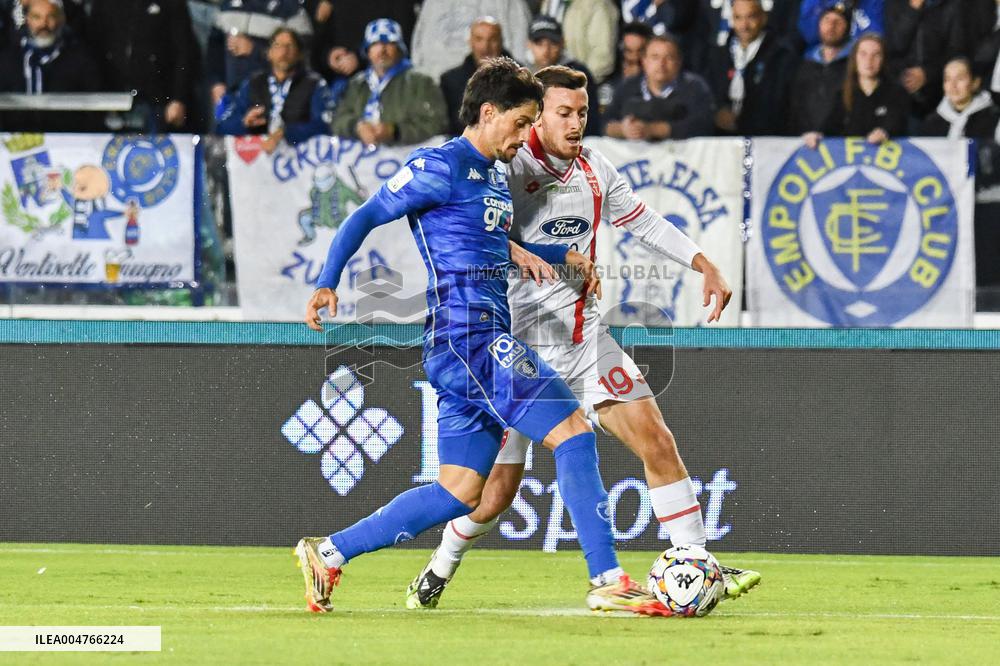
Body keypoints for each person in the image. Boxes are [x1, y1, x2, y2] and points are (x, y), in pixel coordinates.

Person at [298, 57, 672, 616]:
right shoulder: (438, 165)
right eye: (520, 123)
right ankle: (609, 580)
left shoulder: (495, 174)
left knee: (460, 492)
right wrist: (327, 282)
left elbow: (492, 247)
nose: (526, 136)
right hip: (466, 337)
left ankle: (328, 552)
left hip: (469, 343)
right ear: (489, 112)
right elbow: (364, 216)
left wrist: (553, 255)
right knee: (573, 431)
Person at [403, 65, 760, 610]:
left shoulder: (596, 170)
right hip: (518, 348)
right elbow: (470, 233)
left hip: (586, 340)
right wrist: (517, 251)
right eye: (562, 113)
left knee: (657, 440)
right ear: (535, 115)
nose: (575, 125)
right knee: (494, 493)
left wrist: (703, 262)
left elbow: (645, 221)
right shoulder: (503, 169)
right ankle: (440, 566)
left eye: (583, 114)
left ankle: (696, 561)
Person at [330, 18, 446, 147]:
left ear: (399, 48)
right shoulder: (356, 84)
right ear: (367, 51)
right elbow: (337, 119)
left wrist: (395, 131)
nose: (382, 50)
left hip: (408, 158)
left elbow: (436, 123)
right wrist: (357, 127)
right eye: (375, 44)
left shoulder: (421, 82)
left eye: (389, 43)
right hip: (363, 161)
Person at [86, 0, 199, 132]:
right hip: (113, 99)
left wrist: (179, 98)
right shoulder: (104, 4)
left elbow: (184, 52)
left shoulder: (171, 3)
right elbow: (93, 49)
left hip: (157, 100)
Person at [215, 28, 333, 153]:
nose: (283, 51)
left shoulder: (314, 84)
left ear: (299, 54)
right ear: (269, 53)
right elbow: (222, 126)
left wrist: (286, 133)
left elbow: (324, 125)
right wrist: (243, 123)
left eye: (290, 46)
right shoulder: (253, 83)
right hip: (258, 163)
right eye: (277, 45)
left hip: (300, 161)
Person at [0, 0, 102, 132]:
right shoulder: (6, 61)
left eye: (50, 16)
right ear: (27, 20)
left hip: (68, 142)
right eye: (37, 17)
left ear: (60, 20)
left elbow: (95, 109)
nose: (44, 24)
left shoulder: (81, 60)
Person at [705, 0, 798, 135]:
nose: (744, 25)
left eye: (751, 17)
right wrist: (717, 114)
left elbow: (784, 105)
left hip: (767, 140)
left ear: (763, 18)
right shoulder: (719, 55)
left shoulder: (782, 56)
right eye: (738, 18)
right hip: (723, 139)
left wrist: (744, 121)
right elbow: (708, 96)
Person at [206, 0, 313, 115]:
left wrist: (255, 50)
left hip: (273, 98)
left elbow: (301, 56)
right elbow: (214, 48)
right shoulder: (228, 5)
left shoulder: (291, 10)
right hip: (232, 97)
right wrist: (216, 82)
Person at [805, 33, 909, 147]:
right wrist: (816, 134)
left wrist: (884, 132)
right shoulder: (842, 93)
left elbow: (895, 122)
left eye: (876, 55)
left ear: (883, 59)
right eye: (863, 54)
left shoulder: (897, 93)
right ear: (855, 58)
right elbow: (829, 125)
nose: (869, 60)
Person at [603, 33, 715, 140]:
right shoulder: (627, 87)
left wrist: (654, 130)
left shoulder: (695, 87)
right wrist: (622, 129)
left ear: (679, 62)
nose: (662, 63)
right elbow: (603, 123)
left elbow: (705, 125)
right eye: (655, 57)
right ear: (644, 61)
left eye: (669, 57)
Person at [410, 0, 531, 82]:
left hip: (497, 84)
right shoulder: (433, 4)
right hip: (441, 89)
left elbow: (521, 45)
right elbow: (420, 49)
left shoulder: (510, 3)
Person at [884, 0, 966, 117]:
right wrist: (913, 9)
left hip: (940, 94)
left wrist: (927, 74)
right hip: (901, 91)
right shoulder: (893, 3)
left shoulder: (951, 5)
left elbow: (957, 52)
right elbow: (895, 46)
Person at [525, 15, 601, 135]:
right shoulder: (521, 74)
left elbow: (590, 121)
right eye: (539, 43)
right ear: (529, 44)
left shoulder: (578, 73)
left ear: (562, 43)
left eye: (552, 43)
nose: (546, 50)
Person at [787, 3, 853, 135]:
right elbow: (794, 107)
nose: (831, 26)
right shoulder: (804, 65)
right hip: (804, 141)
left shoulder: (853, 66)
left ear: (847, 28)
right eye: (827, 20)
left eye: (838, 22)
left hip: (840, 143)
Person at [440, 17, 508, 136]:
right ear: (470, 42)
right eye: (479, 39)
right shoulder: (450, 81)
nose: (485, 47)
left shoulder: (521, 79)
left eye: (492, 39)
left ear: (501, 41)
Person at [536, 0, 618, 82]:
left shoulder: (598, 5)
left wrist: (576, 84)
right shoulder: (550, 3)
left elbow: (602, 59)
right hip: (551, 83)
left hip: (585, 86)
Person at [919, 57, 1000, 140]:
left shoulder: (993, 118)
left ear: (975, 83)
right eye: (947, 79)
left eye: (960, 79)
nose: (953, 85)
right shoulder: (932, 122)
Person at [797, 0, 883, 49]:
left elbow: (876, 41)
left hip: (857, 63)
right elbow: (808, 35)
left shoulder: (875, 3)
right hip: (818, 60)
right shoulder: (817, 3)